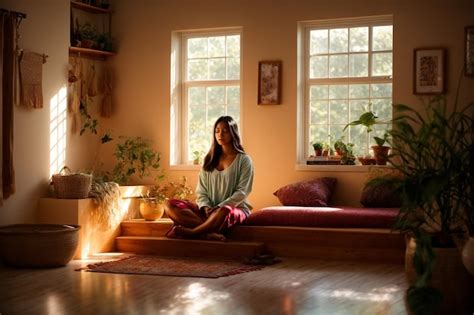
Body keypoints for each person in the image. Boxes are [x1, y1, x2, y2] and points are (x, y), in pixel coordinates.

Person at [164, 116, 254, 241]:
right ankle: (207, 233)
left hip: (233, 209)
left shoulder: (244, 160)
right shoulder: (209, 160)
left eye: (225, 130)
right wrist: (206, 207)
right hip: (208, 210)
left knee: (225, 210)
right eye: (217, 130)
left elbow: (242, 192)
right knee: (170, 204)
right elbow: (201, 191)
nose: (220, 134)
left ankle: (193, 232)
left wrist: (219, 207)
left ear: (233, 132)